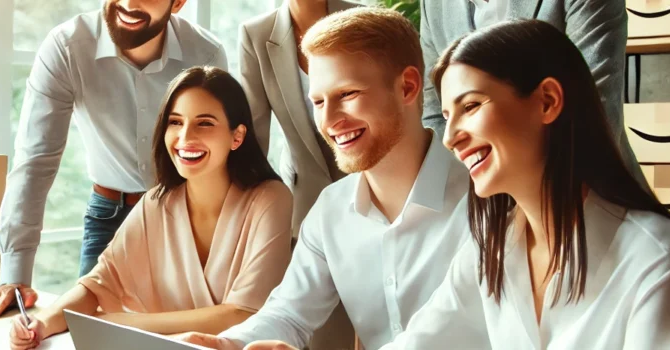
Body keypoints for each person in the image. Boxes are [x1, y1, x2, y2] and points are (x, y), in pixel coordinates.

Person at [379, 19, 670, 349]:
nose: (450, 138)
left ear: (547, 101)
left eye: (470, 106)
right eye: (448, 117)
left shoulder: (654, 257)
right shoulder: (491, 250)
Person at [171, 7, 471, 350]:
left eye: (347, 94)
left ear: (407, 87)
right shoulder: (331, 209)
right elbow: (289, 315)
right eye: (317, 100)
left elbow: (447, 330)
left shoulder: (482, 201)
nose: (329, 120)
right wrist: (227, 344)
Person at [0, 0, 228, 319]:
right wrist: (14, 277)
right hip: (109, 218)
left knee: (187, 335)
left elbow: (222, 159)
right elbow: (35, 160)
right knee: (92, 334)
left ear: (179, 3)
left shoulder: (206, 54)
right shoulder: (68, 46)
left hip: (188, 218)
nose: (129, 3)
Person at [7, 66, 293, 350]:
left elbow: (243, 313)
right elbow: (96, 285)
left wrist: (120, 323)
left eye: (204, 123)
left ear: (237, 136)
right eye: (175, 122)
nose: (185, 138)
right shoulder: (157, 202)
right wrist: (41, 324)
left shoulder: (271, 199)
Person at [418, 0, 649, 191]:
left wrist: (526, 205)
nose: (451, 138)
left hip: (588, 194)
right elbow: (433, 113)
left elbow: (593, 107)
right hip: (489, 220)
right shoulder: (434, 5)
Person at [237, 0, 363, 347]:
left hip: (375, 196)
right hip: (305, 207)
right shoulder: (256, 34)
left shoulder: (363, 20)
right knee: (321, 333)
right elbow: (254, 142)